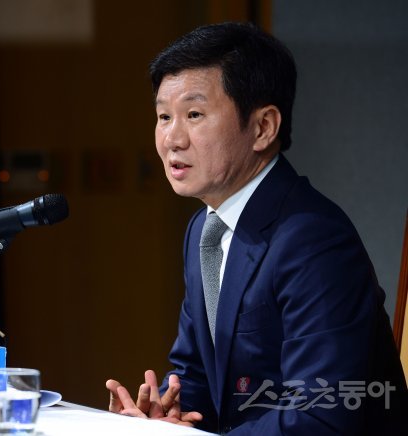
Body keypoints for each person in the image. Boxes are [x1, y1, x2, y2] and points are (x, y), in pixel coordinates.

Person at [105, 22, 408, 434]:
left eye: (194, 115)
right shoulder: (204, 228)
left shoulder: (313, 239)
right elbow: (196, 373)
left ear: (263, 127)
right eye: (163, 116)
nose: (172, 139)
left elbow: (322, 413)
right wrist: (167, 418)